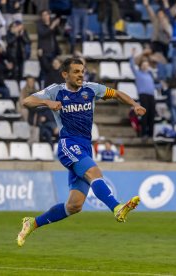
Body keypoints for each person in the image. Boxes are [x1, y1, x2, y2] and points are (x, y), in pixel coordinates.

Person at [17, 58, 146, 247]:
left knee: (74, 205)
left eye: (82, 71)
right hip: (68, 144)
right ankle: (117, 208)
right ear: (65, 74)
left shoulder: (91, 89)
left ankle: (32, 223)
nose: (80, 75)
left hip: (85, 146)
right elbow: (27, 101)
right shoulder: (56, 91)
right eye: (76, 71)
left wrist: (134, 104)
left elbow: (116, 93)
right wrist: (47, 102)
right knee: (95, 173)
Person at [130, 48, 155, 138]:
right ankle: (144, 133)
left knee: (152, 114)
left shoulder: (150, 74)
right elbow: (132, 65)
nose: (145, 66)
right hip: (143, 95)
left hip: (151, 95)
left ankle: (151, 134)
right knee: (144, 114)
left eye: (146, 65)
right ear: (141, 66)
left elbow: (153, 85)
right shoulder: (138, 73)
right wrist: (132, 55)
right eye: (144, 65)